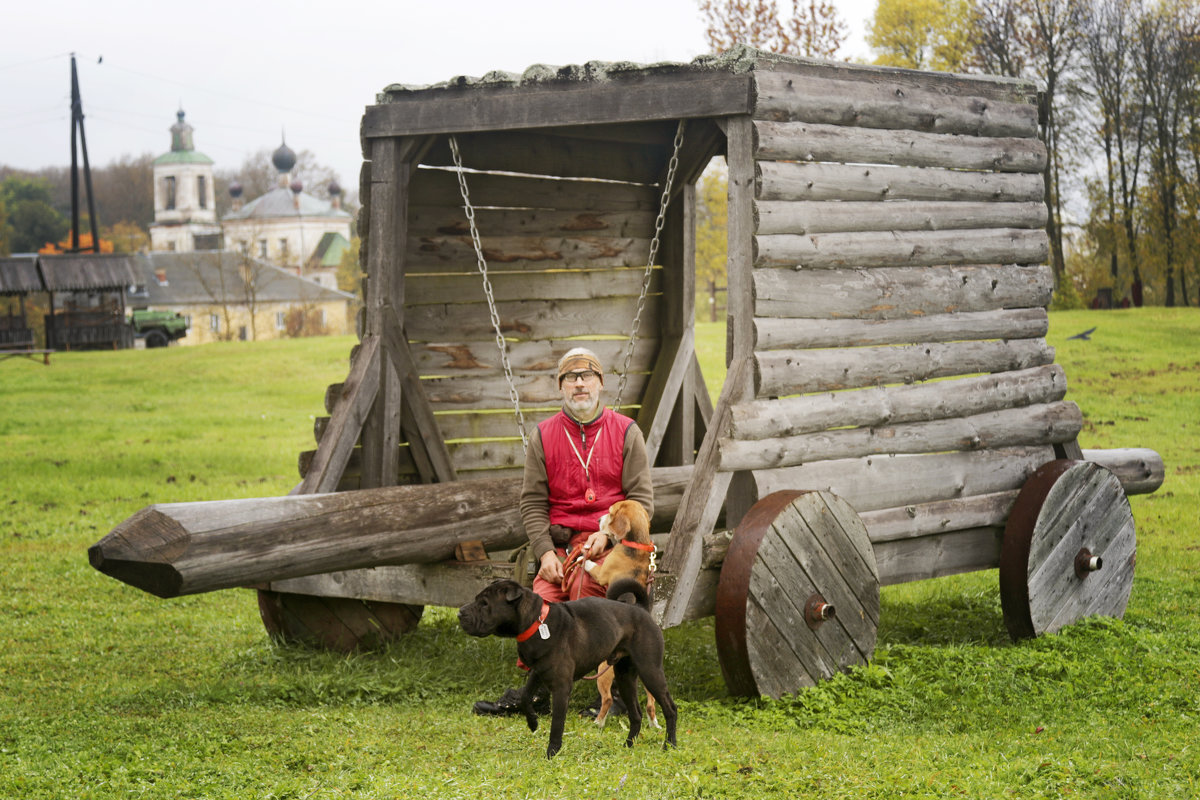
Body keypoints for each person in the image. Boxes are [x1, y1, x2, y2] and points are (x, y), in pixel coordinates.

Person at [472, 347, 654, 717]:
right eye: (571, 378)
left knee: (588, 594)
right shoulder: (544, 435)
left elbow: (641, 500)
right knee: (537, 605)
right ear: (561, 387)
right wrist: (544, 553)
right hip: (562, 546)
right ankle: (540, 690)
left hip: (611, 544)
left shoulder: (627, 432)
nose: (580, 383)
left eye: (587, 376)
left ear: (601, 383)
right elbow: (533, 503)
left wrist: (609, 536)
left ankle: (619, 692)